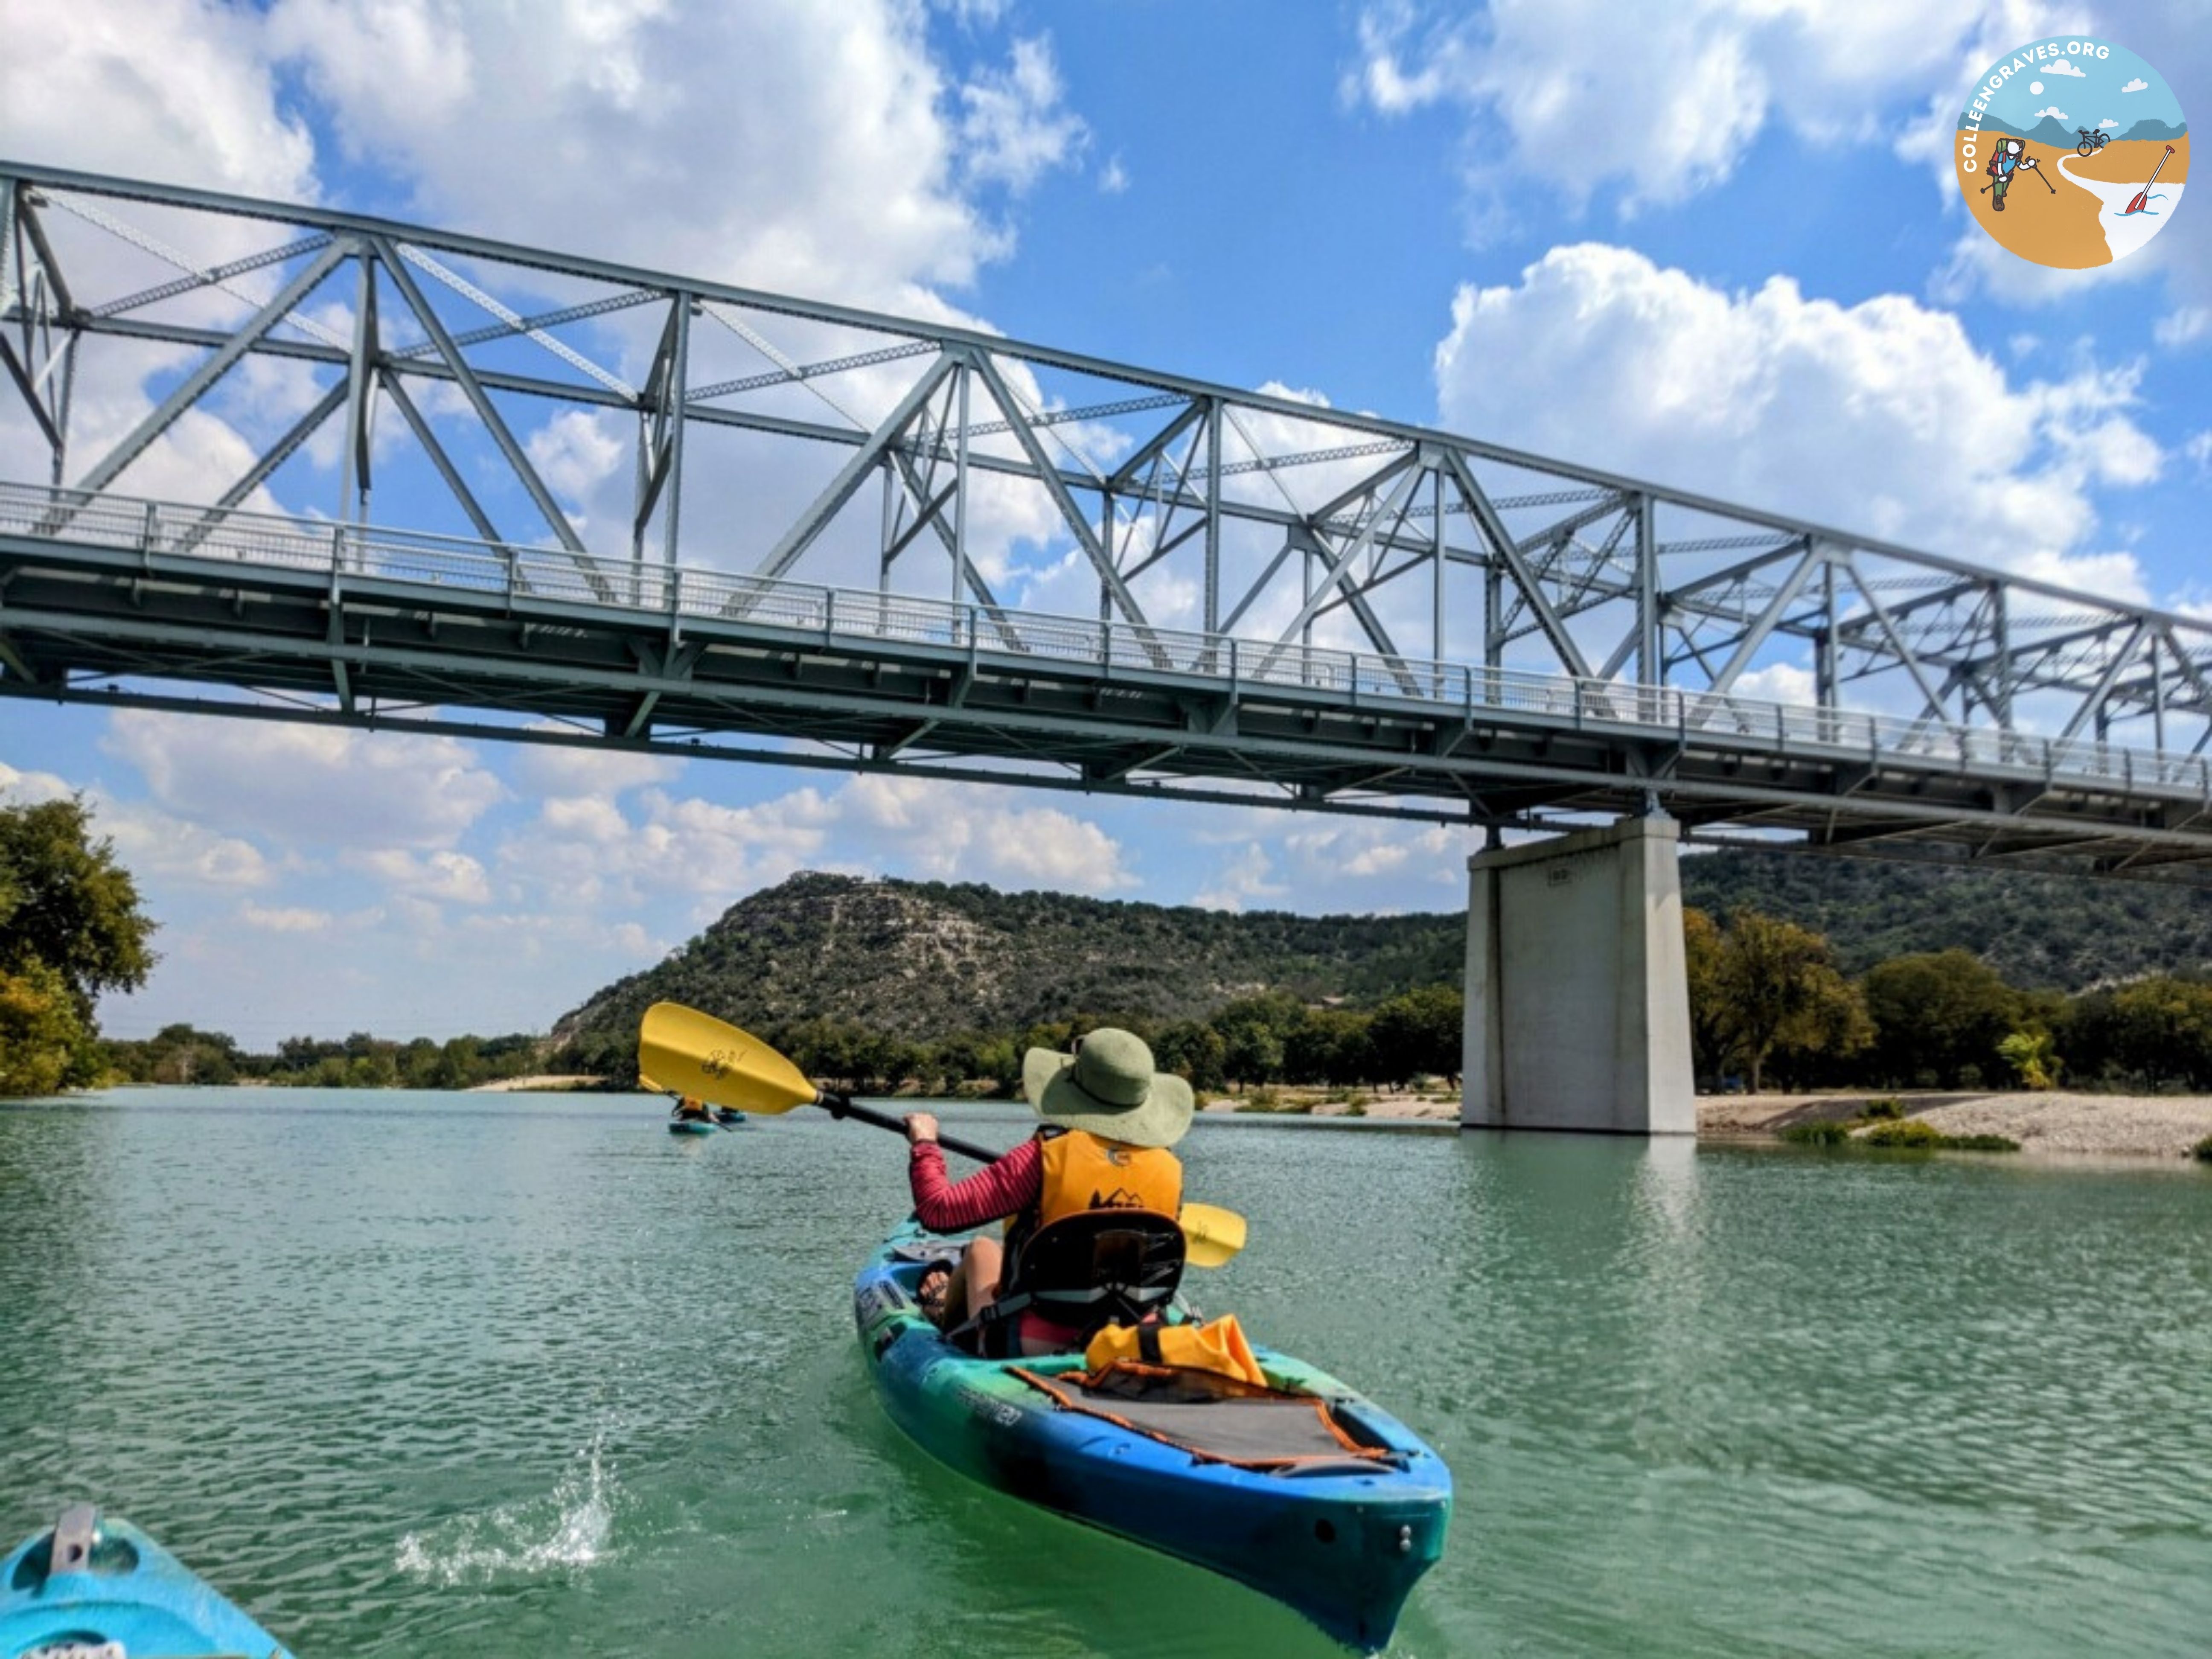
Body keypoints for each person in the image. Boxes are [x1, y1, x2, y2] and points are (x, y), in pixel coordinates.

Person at [903, 1028, 1193, 1355]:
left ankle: (946, 1320)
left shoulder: (1041, 1158)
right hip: (1136, 1339)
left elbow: (938, 1211)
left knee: (981, 1249)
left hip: (1033, 1344)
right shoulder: (1170, 1169)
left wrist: (925, 1144)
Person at [1987, 137, 2037, 212]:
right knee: (1999, 186)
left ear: (2019, 150)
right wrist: (2001, 175)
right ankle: (1998, 199)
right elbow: (1999, 166)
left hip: (2008, 175)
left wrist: (2029, 165)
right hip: (1998, 173)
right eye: (2010, 146)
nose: (2010, 149)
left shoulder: (2017, 159)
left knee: (2005, 185)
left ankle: (2003, 192)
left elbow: (2022, 167)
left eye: (2014, 147)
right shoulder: (2002, 155)